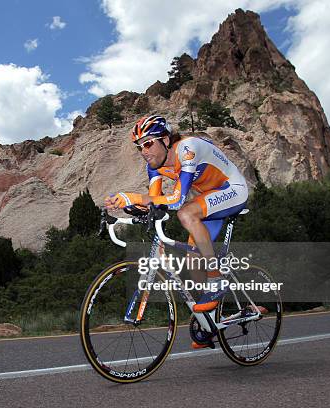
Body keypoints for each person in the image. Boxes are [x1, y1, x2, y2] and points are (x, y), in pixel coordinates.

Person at [104, 115, 249, 348]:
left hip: (232, 189)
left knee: (185, 213)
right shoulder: (154, 167)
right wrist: (126, 208)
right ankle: (209, 324)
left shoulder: (187, 149)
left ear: (165, 139)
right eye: (140, 147)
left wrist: (136, 197)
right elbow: (153, 200)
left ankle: (217, 280)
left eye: (149, 143)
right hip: (207, 199)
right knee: (193, 258)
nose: (144, 151)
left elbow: (175, 199)